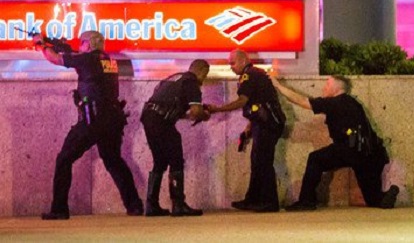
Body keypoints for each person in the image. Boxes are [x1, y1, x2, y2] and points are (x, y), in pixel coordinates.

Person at [32, 31, 143, 220]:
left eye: (82, 44)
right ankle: (135, 205)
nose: (80, 47)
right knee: (113, 160)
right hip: (112, 119)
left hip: (93, 119)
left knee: (64, 159)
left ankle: (59, 209)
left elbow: (57, 59)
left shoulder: (86, 60)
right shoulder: (108, 61)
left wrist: (42, 45)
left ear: (88, 44)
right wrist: (62, 47)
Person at [270, 75, 399, 211]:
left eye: (327, 85)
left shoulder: (334, 102)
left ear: (336, 88)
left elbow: (302, 101)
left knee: (315, 159)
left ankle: (306, 201)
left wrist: (278, 86)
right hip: (370, 153)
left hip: (348, 149)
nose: (324, 88)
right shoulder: (353, 103)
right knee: (373, 199)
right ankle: (387, 195)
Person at [207, 50, 286, 212]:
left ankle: (270, 203)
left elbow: (243, 101)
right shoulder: (253, 74)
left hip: (268, 124)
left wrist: (218, 109)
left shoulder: (249, 75)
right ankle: (253, 200)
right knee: (257, 161)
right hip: (263, 123)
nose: (230, 67)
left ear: (243, 60)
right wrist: (250, 126)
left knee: (263, 162)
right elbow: (256, 102)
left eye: (232, 63)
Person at [140, 59, 211, 217]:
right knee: (176, 160)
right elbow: (195, 111)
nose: (203, 80)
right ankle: (178, 204)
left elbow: (169, 107)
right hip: (162, 122)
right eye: (205, 76)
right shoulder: (192, 83)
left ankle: (151, 205)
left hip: (149, 117)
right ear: (202, 72)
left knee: (160, 160)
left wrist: (190, 114)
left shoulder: (175, 78)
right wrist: (204, 115)